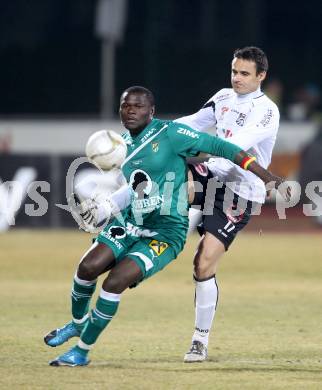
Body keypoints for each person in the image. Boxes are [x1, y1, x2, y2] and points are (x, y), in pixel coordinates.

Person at [44, 85, 287, 367]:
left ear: (152, 111)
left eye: (138, 106)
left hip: (165, 232)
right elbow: (136, 186)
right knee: (86, 268)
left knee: (114, 283)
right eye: (125, 106)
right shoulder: (121, 146)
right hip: (131, 222)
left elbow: (224, 147)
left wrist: (266, 176)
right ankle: (77, 323)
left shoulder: (171, 134)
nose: (131, 110)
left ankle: (82, 351)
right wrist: (106, 207)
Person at [174, 46, 282, 362]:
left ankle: (199, 340)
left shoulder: (266, 111)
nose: (237, 78)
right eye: (235, 71)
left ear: (261, 76)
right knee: (164, 178)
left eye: (245, 74)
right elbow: (192, 122)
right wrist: (160, 134)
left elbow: (230, 147)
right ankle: (123, 221)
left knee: (203, 263)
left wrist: (191, 153)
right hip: (212, 175)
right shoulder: (222, 97)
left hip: (240, 191)